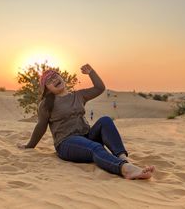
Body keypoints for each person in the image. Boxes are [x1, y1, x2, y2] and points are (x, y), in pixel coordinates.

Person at [17, 64, 155, 180]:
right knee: (95, 148)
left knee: (105, 120)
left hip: (86, 135)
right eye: (49, 81)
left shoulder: (79, 95)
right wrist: (29, 145)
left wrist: (91, 72)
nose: (54, 80)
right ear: (47, 88)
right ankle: (125, 169)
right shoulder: (46, 104)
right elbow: (40, 127)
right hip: (66, 143)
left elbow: (100, 88)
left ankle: (123, 159)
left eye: (55, 76)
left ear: (61, 77)